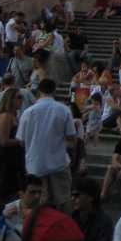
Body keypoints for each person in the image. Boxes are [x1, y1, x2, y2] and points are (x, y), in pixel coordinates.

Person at [16, 78, 77, 210]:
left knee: (35, 206)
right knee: (63, 203)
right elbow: (72, 137)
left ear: (39, 91)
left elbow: (20, 141)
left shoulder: (27, 113)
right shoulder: (64, 110)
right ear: (54, 90)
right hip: (59, 163)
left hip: (35, 166)